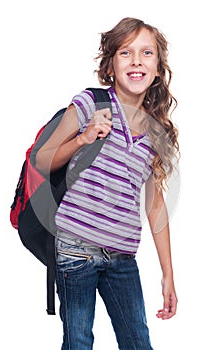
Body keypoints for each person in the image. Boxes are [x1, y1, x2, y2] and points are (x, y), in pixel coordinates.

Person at [36, 17, 179, 350]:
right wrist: (84, 138)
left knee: (137, 342)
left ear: (157, 69)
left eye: (147, 53)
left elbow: (155, 204)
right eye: (125, 53)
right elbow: (42, 160)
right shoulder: (90, 103)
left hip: (123, 257)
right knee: (79, 342)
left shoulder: (156, 131)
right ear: (111, 66)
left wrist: (168, 272)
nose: (137, 61)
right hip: (75, 250)